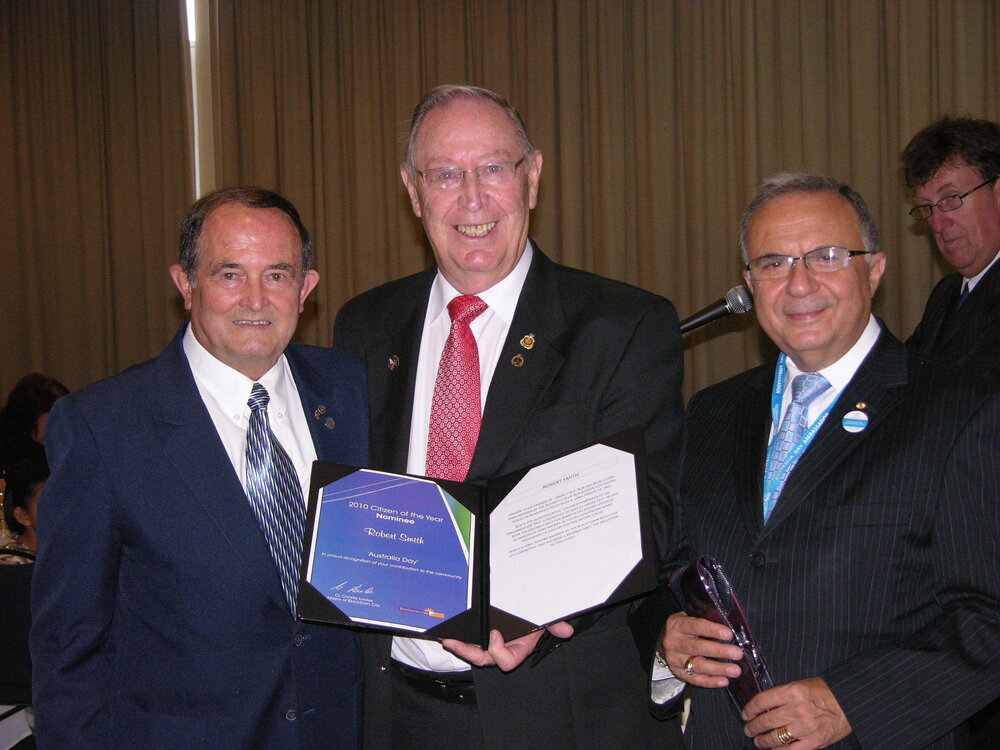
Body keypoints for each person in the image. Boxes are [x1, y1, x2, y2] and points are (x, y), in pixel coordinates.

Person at [334, 85, 685, 749]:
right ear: (412, 191)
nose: (472, 198)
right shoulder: (364, 325)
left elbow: (648, 511)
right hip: (396, 714)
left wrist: (543, 608)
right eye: (445, 174)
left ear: (532, 178)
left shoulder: (623, 326)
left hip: (555, 713)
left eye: (494, 168)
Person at [658, 173, 1000, 749]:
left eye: (827, 255)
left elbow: (989, 617)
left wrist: (853, 702)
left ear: (875, 269)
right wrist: (669, 638)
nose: (798, 284)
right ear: (748, 283)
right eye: (772, 263)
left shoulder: (960, 410)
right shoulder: (711, 412)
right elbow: (672, 569)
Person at [30, 187, 369, 749]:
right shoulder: (102, 427)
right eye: (229, 274)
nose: (255, 300)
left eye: (279, 275)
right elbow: (69, 651)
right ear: (185, 285)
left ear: (307, 289)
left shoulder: (355, 393)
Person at [902, 116, 1000, 374]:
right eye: (927, 207)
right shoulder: (947, 293)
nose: (937, 223)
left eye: (951, 198)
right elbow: (905, 372)